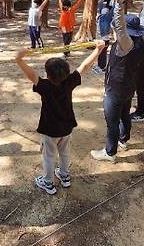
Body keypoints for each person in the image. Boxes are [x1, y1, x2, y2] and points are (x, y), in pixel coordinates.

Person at [15, 41, 105, 195]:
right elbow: (84, 67)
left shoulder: (44, 86)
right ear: (66, 74)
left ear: (47, 75)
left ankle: (48, 182)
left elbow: (31, 75)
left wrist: (19, 59)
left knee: (49, 157)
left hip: (50, 131)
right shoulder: (69, 82)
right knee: (64, 153)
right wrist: (98, 51)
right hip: (67, 128)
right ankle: (64, 175)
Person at [90, 0, 144, 162]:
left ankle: (110, 152)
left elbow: (120, 27)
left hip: (116, 89)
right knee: (124, 115)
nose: (115, 29)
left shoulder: (126, 44)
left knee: (112, 121)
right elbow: (121, 29)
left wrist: (119, 5)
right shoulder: (141, 42)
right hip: (128, 87)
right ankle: (123, 140)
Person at [92, 0, 112, 74]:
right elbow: (101, 8)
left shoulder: (106, 18)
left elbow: (111, 11)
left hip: (104, 39)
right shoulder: (101, 16)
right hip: (101, 39)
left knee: (103, 54)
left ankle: (102, 68)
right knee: (100, 53)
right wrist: (100, 1)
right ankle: (100, 66)